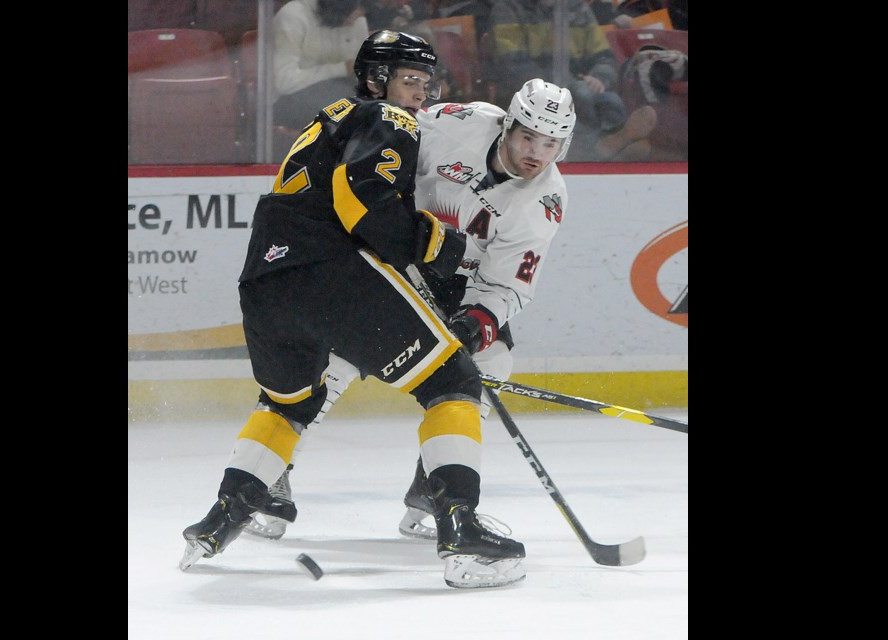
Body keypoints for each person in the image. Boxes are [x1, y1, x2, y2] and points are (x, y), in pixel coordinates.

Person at [181, 30, 528, 589]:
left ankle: (223, 516)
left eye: (424, 82)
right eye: (408, 80)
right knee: (454, 382)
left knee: (291, 401)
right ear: (375, 79)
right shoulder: (389, 120)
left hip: (265, 280)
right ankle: (462, 531)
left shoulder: (330, 116)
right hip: (329, 273)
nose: (419, 93)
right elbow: (361, 200)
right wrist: (438, 247)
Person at [245, 77, 578, 542]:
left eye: (551, 143)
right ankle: (270, 478)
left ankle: (436, 494)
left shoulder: (545, 201)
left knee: (490, 360)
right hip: (388, 256)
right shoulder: (459, 124)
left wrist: (474, 323)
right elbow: (385, 143)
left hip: (451, 284)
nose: (536, 153)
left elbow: (507, 285)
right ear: (507, 125)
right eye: (528, 136)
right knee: (334, 359)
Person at [487, 0, 656, 161]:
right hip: (530, 96)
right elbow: (512, 66)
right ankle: (603, 151)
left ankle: (611, 146)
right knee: (579, 99)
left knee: (610, 101)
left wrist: (598, 78)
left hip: (579, 87)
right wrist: (568, 85)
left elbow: (604, 57)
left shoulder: (577, 8)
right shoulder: (508, 8)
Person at [271, 0, 369, 136]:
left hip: (339, 95)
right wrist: (343, 68)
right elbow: (284, 82)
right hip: (290, 100)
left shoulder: (355, 17)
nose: (355, 17)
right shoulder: (293, 16)